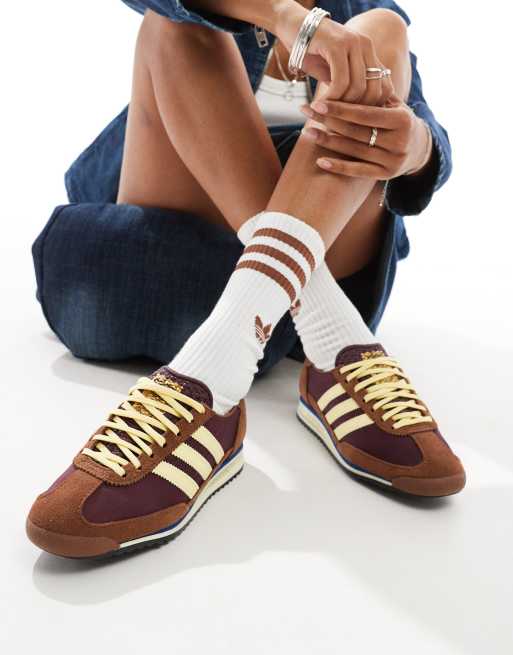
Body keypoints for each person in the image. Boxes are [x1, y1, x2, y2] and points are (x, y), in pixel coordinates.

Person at [27, 0, 465, 560]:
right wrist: (286, 18)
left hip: (324, 238)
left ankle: (213, 373)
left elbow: (427, 136)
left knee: (382, 32)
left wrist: (417, 148)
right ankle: (329, 335)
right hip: (179, 258)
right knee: (175, 24)